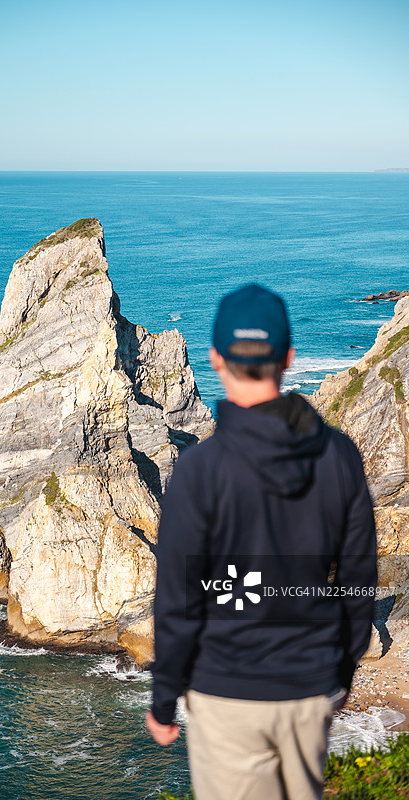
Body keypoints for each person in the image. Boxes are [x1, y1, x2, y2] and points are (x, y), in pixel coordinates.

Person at [145, 283, 377, 800]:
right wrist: (342, 666)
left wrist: (164, 699)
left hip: (226, 690)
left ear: (215, 359)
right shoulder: (338, 455)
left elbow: (178, 601)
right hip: (310, 685)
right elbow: (360, 575)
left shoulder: (199, 469)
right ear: (289, 357)